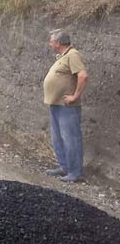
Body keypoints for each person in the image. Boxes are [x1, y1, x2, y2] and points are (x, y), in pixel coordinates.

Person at [43, 28, 88, 183]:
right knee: (58, 138)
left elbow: (82, 76)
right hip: (55, 104)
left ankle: (75, 173)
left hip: (67, 106)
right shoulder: (62, 56)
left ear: (58, 42)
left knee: (71, 138)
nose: (50, 44)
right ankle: (64, 167)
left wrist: (75, 96)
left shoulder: (73, 54)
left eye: (51, 41)